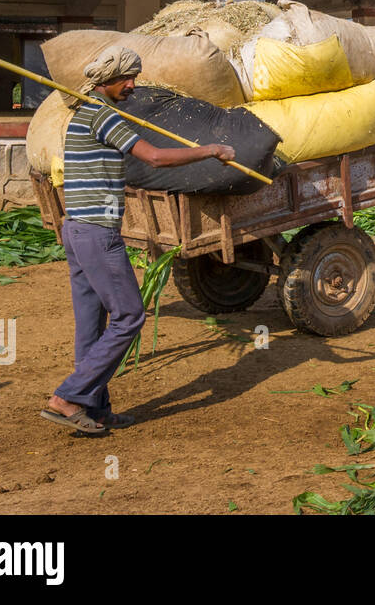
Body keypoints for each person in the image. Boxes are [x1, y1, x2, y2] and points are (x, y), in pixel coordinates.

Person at [40, 47, 235, 435]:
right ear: (104, 81)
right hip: (97, 233)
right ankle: (67, 398)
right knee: (130, 316)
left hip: (77, 231)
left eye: (135, 77)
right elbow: (156, 158)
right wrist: (212, 150)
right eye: (125, 78)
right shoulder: (102, 115)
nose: (132, 85)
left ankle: (94, 410)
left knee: (91, 329)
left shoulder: (86, 113)